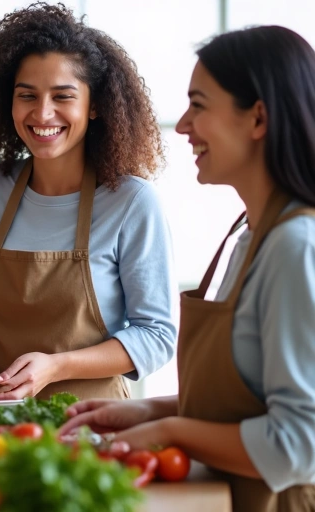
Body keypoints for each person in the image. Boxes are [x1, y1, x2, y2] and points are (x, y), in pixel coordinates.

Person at [60, 25, 315, 511]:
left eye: (199, 105)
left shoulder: (296, 247)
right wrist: (141, 411)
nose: (182, 126)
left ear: (257, 118)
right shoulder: (250, 236)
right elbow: (250, 404)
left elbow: (300, 444)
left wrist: (170, 429)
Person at [0, 2, 176, 401]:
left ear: (94, 105)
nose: (42, 113)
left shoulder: (131, 201)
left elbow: (157, 335)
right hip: (1, 426)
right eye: (27, 95)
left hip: (96, 428)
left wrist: (57, 366)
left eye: (63, 96)